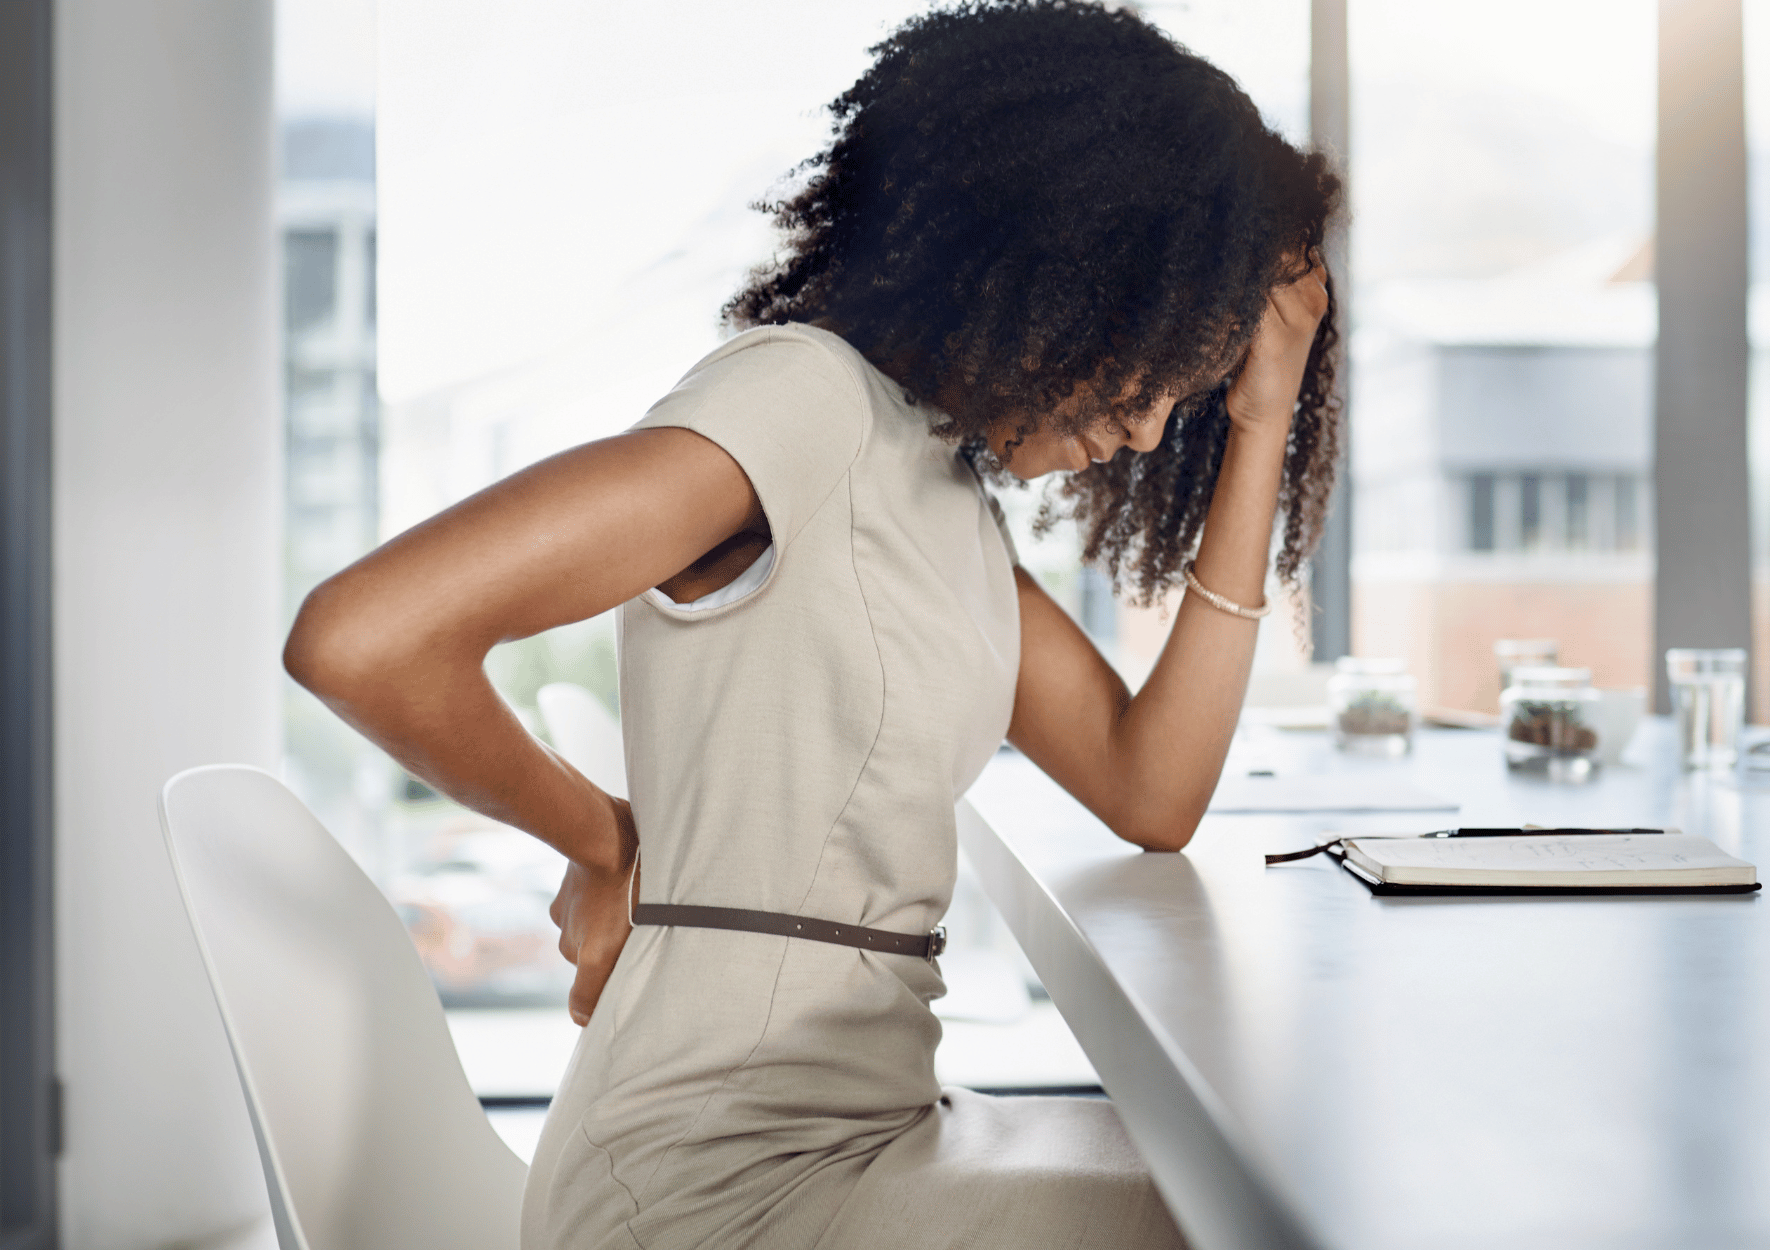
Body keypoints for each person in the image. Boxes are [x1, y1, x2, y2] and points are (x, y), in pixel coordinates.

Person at [284, 1, 1341, 1245]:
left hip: (870, 1132)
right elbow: (363, 636)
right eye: (1156, 361)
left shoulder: (934, 485)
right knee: (1263, 1214)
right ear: (1056, 264)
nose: (1155, 424)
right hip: (714, 1187)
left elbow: (1150, 787)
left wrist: (1261, 422)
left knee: (1264, 1184)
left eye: (1192, 386)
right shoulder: (802, 401)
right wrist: (606, 839)